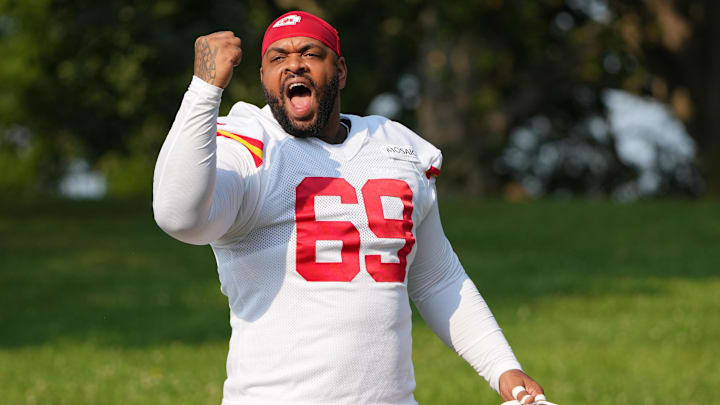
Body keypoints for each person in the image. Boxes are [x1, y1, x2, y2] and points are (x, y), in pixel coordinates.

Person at [153, 10, 551, 405]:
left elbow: (436, 278)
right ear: (263, 78)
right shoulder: (250, 145)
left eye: (309, 53)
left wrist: (503, 367)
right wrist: (204, 90)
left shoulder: (394, 147)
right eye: (278, 58)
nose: (294, 64)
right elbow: (179, 217)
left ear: (340, 71)